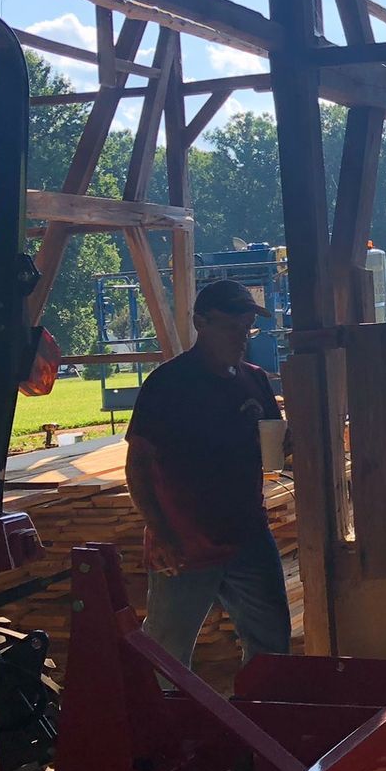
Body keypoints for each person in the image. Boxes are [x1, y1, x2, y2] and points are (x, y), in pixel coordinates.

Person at [127, 277, 292, 670]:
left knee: (272, 643)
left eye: (248, 328)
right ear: (201, 323)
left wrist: (291, 443)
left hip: (248, 536)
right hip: (184, 542)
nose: (242, 338)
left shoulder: (255, 381)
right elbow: (138, 466)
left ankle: (258, 707)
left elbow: (275, 445)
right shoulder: (168, 384)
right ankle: (164, 711)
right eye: (232, 327)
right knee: (167, 654)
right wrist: (160, 531)